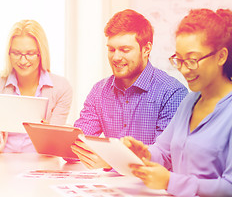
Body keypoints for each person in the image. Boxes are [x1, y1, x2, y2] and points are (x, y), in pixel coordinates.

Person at [121, 9, 232, 196]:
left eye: (192, 60)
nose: (184, 70)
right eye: (179, 60)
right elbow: (164, 151)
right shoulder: (190, 101)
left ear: (221, 56)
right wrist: (145, 154)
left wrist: (170, 182)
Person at [71, 9, 188, 167]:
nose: (116, 57)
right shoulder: (99, 91)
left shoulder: (172, 92)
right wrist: (62, 141)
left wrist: (111, 162)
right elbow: (78, 146)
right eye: (111, 49)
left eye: (125, 50)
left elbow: (167, 157)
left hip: (152, 188)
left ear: (146, 49)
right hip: (111, 186)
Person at [0, 19, 72, 154]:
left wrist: (48, 136)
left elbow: (53, 149)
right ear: (9, 53)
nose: (23, 61)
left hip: (43, 164)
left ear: (41, 53)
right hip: (4, 162)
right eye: (16, 53)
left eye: (30, 53)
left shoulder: (61, 88)